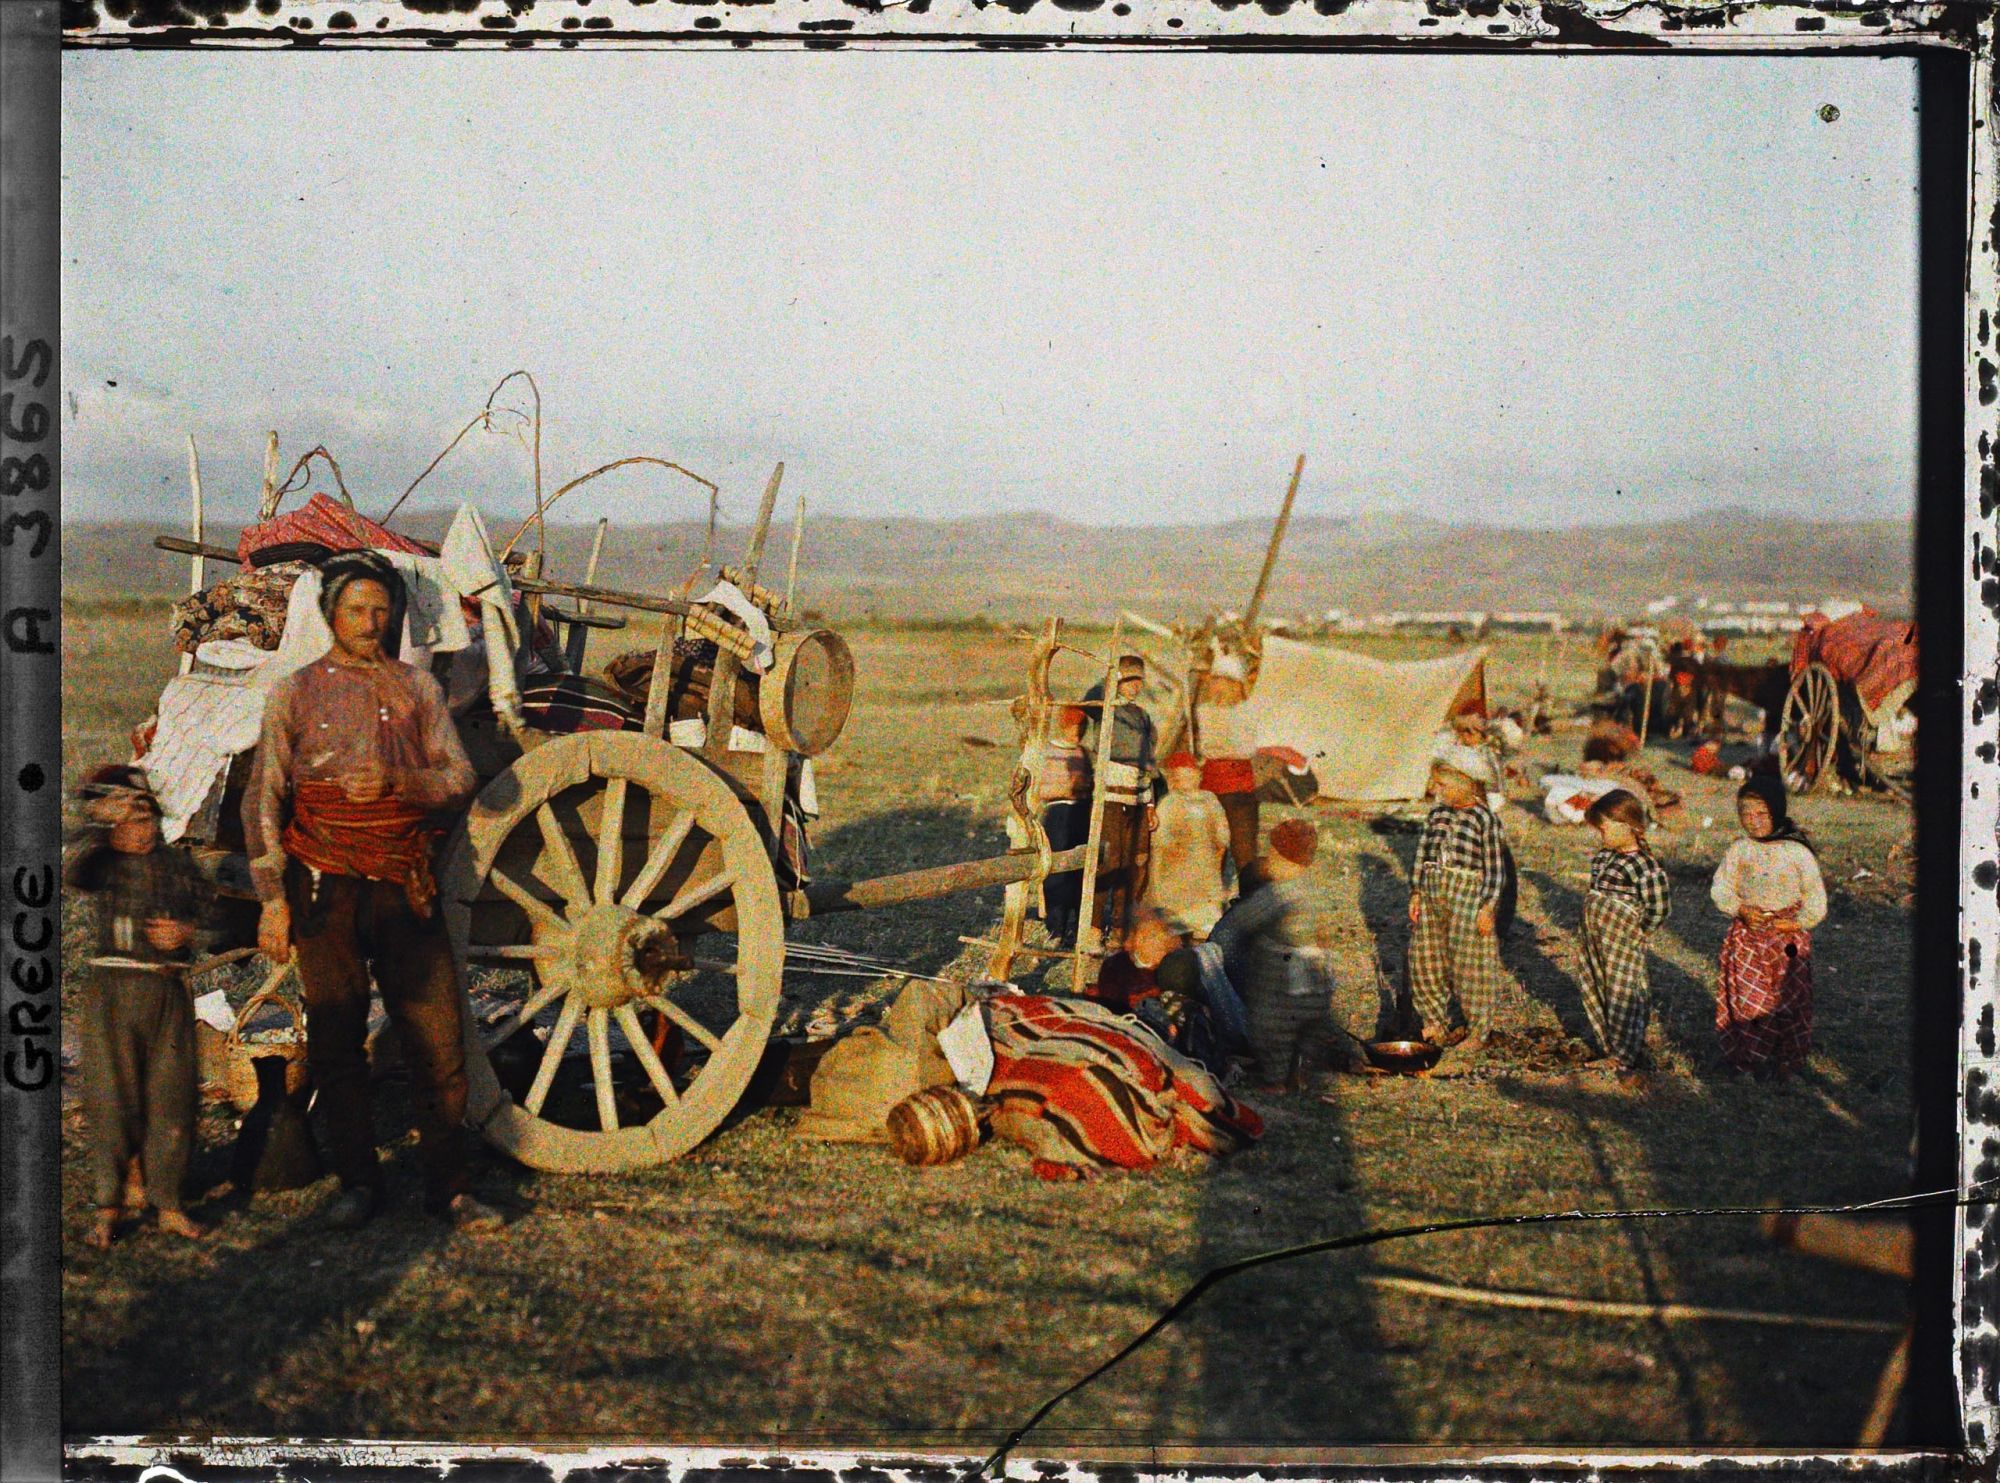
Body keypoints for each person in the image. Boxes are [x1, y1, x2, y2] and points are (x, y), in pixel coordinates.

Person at [244, 551, 500, 1230]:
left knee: (439, 1036)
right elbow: (264, 796)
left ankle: (450, 1187)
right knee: (335, 1033)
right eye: (357, 608)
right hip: (322, 884)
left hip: (402, 878)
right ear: (331, 614)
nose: (371, 621)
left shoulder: (419, 690)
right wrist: (273, 897)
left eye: (382, 609)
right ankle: (358, 1181)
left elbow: (460, 777)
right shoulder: (293, 692)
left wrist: (397, 782)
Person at [67, 765, 209, 1248]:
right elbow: (72, 869)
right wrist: (97, 826)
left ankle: (167, 1201)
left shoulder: (177, 864)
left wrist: (187, 935)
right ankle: (108, 1206)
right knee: (110, 1100)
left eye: (147, 817)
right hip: (111, 991)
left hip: (166, 992)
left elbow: (216, 919)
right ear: (110, 822)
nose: (140, 828)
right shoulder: (100, 861)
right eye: (128, 818)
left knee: (172, 1098)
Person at [1710, 774, 1826, 1079]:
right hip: (1748, 936)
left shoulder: (1796, 852)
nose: (1753, 821)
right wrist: (1741, 909)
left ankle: (1785, 1062)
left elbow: (1816, 899)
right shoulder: (1740, 851)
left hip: (1787, 941)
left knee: (1788, 1002)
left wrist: (1796, 923)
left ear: (1777, 809)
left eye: (1761, 813)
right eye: (1745, 814)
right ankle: (1749, 1060)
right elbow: (1721, 889)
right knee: (1749, 1001)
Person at [1210, 819, 1337, 1093]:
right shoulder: (1317, 889)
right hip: (1316, 971)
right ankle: (1302, 1074)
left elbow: (1242, 922)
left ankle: (1275, 1080)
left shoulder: (1277, 893)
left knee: (1271, 1025)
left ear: (1279, 856)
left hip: (1281, 971)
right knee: (1308, 1024)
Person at [1408, 755, 1512, 1053]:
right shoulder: (1437, 815)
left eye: (1443, 784)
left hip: (1467, 894)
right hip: (1432, 890)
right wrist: (1417, 891)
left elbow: (1494, 869)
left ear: (1467, 783)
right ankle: (1434, 1022)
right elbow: (1423, 855)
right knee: (1427, 957)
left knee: (1470, 963)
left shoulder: (1485, 820)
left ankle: (1478, 1029)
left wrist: (1488, 906)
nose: (1436, 789)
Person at [1577, 789, 1673, 1088]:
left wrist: (1638, 930)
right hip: (1595, 936)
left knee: (1622, 991)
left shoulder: (1644, 866)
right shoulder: (1604, 857)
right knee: (1595, 984)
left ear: (1631, 827)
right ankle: (1609, 1045)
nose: (1601, 833)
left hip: (1622, 939)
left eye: (1605, 827)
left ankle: (1625, 1053)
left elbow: (1658, 908)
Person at [1081, 655, 1160, 941]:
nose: (1135, 686)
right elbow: (1087, 700)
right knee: (1108, 861)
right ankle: (1091, 928)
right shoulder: (1105, 708)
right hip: (1111, 798)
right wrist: (1111, 678)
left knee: (1134, 864)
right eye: (1128, 680)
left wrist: (1150, 804)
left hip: (1138, 799)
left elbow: (1148, 765)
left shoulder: (1143, 716)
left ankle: (1118, 928)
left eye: (1138, 680)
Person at [1008, 703, 1093, 944]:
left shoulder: (1084, 753)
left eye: (1080, 727)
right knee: (1056, 868)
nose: (1076, 732)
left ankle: (1075, 927)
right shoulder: (1049, 751)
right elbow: (1040, 789)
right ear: (1063, 726)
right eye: (1072, 727)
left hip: (1081, 811)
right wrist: (1068, 788)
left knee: (1079, 868)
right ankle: (1056, 925)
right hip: (1058, 813)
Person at [1144, 751, 1233, 938]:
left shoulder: (1209, 799)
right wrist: (1172, 848)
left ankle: (1204, 930)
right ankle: (1176, 930)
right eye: (1181, 776)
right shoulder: (1169, 802)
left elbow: (1221, 825)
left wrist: (1221, 843)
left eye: (1191, 774)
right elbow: (1161, 835)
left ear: (1198, 775)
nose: (1187, 780)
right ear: (1174, 778)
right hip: (1176, 868)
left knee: (1207, 905)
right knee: (1175, 909)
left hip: (1204, 863)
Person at [1195, 653, 1260, 871]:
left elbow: (1245, 749)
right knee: (1211, 847)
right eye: (1215, 680)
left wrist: (1224, 749)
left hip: (1240, 785)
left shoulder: (1246, 711)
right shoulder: (1205, 712)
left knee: (1244, 850)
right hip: (1213, 784)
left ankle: (1249, 898)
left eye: (1222, 680)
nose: (1216, 685)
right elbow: (1209, 747)